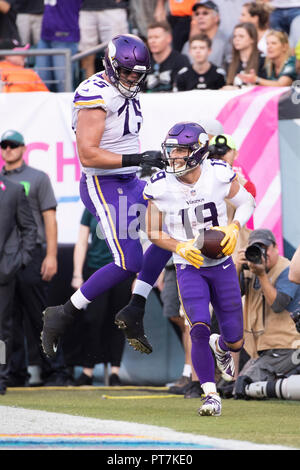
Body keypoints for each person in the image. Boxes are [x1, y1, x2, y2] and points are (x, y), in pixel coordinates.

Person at [41, 34, 172, 361]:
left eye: (137, 73)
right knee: (129, 261)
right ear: (111, 66)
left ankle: (135, 307)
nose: (132, 78)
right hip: (104, 183)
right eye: (126, 72)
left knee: (164, 235)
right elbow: (88, 155)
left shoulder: (129, 89)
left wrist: (140, 163)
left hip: (129, 179)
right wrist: (137, 160)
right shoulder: (94, 93)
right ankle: (63, 312)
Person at [144, 121, 256, 416]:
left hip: (221, 264)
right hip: (188, 265)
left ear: (198, 151)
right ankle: (210, 394)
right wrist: (179, 247)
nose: (174, 156)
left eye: (181, 150)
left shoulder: (218, 174)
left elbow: (247, 202)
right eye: (172, 150)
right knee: (197, 326)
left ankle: (221, 345)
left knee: (235, 339)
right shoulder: (160, 185)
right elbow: (153, 231)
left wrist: (233, 226)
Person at [0, 129, 70, 387]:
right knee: (6, 320)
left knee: (39, 317)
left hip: (32, 255)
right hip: (5, 258)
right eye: (4, 145)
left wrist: (51, 255)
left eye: (13, 145)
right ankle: (13, 372)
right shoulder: (1, 181)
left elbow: (49, 218)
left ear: (23, 148)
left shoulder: (38, 178)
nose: (8, 149)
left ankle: (56, 370)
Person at [71, 208, 134, 386]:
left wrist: (139, 276)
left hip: (123, 271)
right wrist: (77, 274)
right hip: (96, 270)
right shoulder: (91, 207)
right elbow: (82, 242)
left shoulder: (127, 204)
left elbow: (141, 240)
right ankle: (87, 371)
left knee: (120, 321)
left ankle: (115, 372)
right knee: (93, 320)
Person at [234, 229, 300, 398]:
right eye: (255, 248)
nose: (261, 253)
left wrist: (262, 275)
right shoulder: (249, 268)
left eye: (264, 248)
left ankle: (287, 377)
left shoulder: (287, 269)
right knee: (234, 388)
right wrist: (236, 268)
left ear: (275, 247)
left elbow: (278, 305)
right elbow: (229, 297)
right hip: (262, 350)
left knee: (244, 387)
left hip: (287, 347)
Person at [0, 174, 37, 395]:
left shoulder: (13, 190)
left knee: (1, 331)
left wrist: (20, 260)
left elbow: (29, 228)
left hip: (3, 272)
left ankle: (0, 377)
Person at [35, 0, 82, 92]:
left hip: (65, 36)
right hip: (45, 35)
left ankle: (68, 106)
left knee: (63, 84)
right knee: (41, 83)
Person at [78, 0, 129, 80]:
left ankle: (120, 89)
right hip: (85, 7)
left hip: (113, 8)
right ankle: (88, 89)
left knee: (117, 52)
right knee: (86, 54)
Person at [145, 20, 190, 92]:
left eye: (156, 37)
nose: (152, 41)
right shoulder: (143, 62)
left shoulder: (181, 60)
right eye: (150, 37)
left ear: (169, 38)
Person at [190, 1, 231, 68]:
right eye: (197, 14)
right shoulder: (189, 43)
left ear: (216, 17)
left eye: (205, 13)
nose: (200, 17)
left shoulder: (225, 42)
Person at [225, 22, 266, 87]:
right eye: (235, 36)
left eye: (241, 36)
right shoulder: (229, 62)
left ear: (252, 39)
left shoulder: (263, 60)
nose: (236, 39)